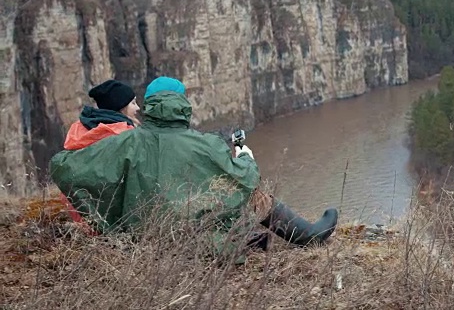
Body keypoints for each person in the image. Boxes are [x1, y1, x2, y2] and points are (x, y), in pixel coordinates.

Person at [49, 76, 338, 257]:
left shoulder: (125, 141)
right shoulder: (204, 144)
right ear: (182, 104)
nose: (136, 107)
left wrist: (106, 222)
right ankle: (306, 235)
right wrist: (246, 156)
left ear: (151, 106)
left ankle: (250, 238)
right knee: (250, 194)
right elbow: (245, 179)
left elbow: (63, 168)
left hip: (139, 240)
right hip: (194, 240)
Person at [58, 79, 140, 232]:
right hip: (110, 222)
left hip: (79, 211)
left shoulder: (80, 129)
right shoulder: (125, 136)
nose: (138, 108)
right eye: (133, 103)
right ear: (121, 107)